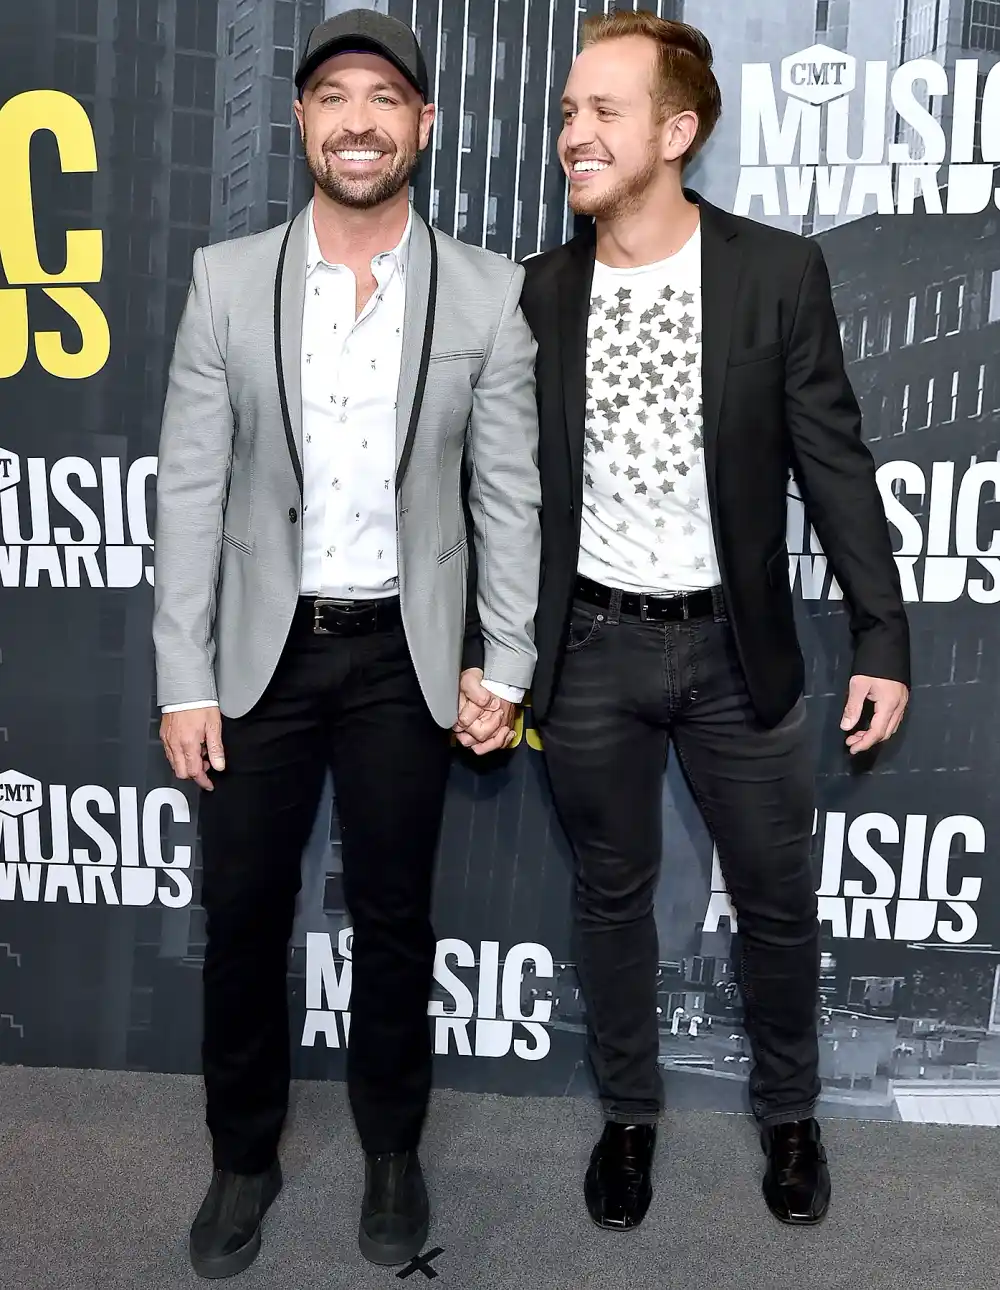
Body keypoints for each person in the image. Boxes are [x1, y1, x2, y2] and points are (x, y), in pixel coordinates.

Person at [153, 9, 540, 1277]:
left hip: (403, 658)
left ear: (424, 126)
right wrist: (184, 679)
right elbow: (192, 494)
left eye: (385, 97)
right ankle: (243, 1156)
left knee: (391, 915)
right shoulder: (225, 278)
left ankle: (390, 1150)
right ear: (302, 122)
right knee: (247, 913)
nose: (359, 119)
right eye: (334, 96)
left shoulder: (488, 292)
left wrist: (506, 658)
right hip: (263, 658)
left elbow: (506, 499)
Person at [518, 11, 909, 1231]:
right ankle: (628, 1117)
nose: (575, 133)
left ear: (676, 131)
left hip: (740, 653)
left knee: (777, 902)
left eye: (603, 112)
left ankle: (788, 1117)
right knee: (611, 899)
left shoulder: (772, 273)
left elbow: (834, 465)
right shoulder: (537, 292)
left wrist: (883, 637)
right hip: (588, 650)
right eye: (569, 112)